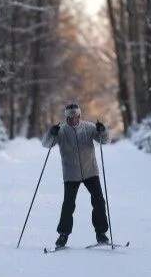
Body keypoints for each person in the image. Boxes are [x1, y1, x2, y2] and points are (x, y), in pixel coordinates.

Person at [41, 102, 110, 248]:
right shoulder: (61, 131)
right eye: (70, 117)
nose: (73, 119)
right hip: (71, 173)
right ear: (66, 117)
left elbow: (105, 140)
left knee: (99, 201)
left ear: (79, 115)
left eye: (76, 116)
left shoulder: (89, 127)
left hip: (90, 171)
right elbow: (46, 144)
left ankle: (101, 234)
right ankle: (63, 235)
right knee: (68, 205)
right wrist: (50, 132)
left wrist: (102, 130)